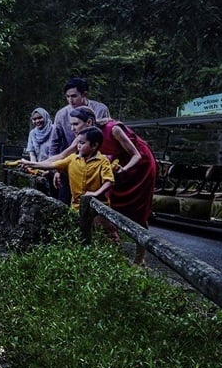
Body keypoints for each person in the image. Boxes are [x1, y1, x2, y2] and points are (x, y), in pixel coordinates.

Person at [49, 105, 157, 265]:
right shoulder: (82, 137)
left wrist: (124, 170)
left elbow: (136, 154)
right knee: (106, 206)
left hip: (139, 166)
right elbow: (62, 156)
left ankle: (139, 259)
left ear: (89, 122)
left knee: (138, 213)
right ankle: (112, 249)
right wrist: (33, 164)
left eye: (76, 124)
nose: (72, 128)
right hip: (116, 166)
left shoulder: (113, 129)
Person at [24, 126, 118, 242]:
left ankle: (117, 254)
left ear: (94, 146)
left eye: (82, 143)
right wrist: (30, 164)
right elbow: (52, 165)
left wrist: (96, 193)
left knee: (105, 234)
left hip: (98, 207)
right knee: (80, 234)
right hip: (76, 207)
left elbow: (109, 181)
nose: (78, 146)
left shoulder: (103, 161)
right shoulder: (72, 159)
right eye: (78, 142)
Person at [48, 78, 110, 204]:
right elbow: (55, 145)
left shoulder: (100, 110)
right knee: (65, 204)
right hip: (70, 166)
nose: (71, 100)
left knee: (95, 206)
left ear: (84, 94)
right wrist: (56, 171)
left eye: (74, 96)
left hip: (95, 167)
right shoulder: (61, 114)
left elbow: (106, 137)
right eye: (67, 96)